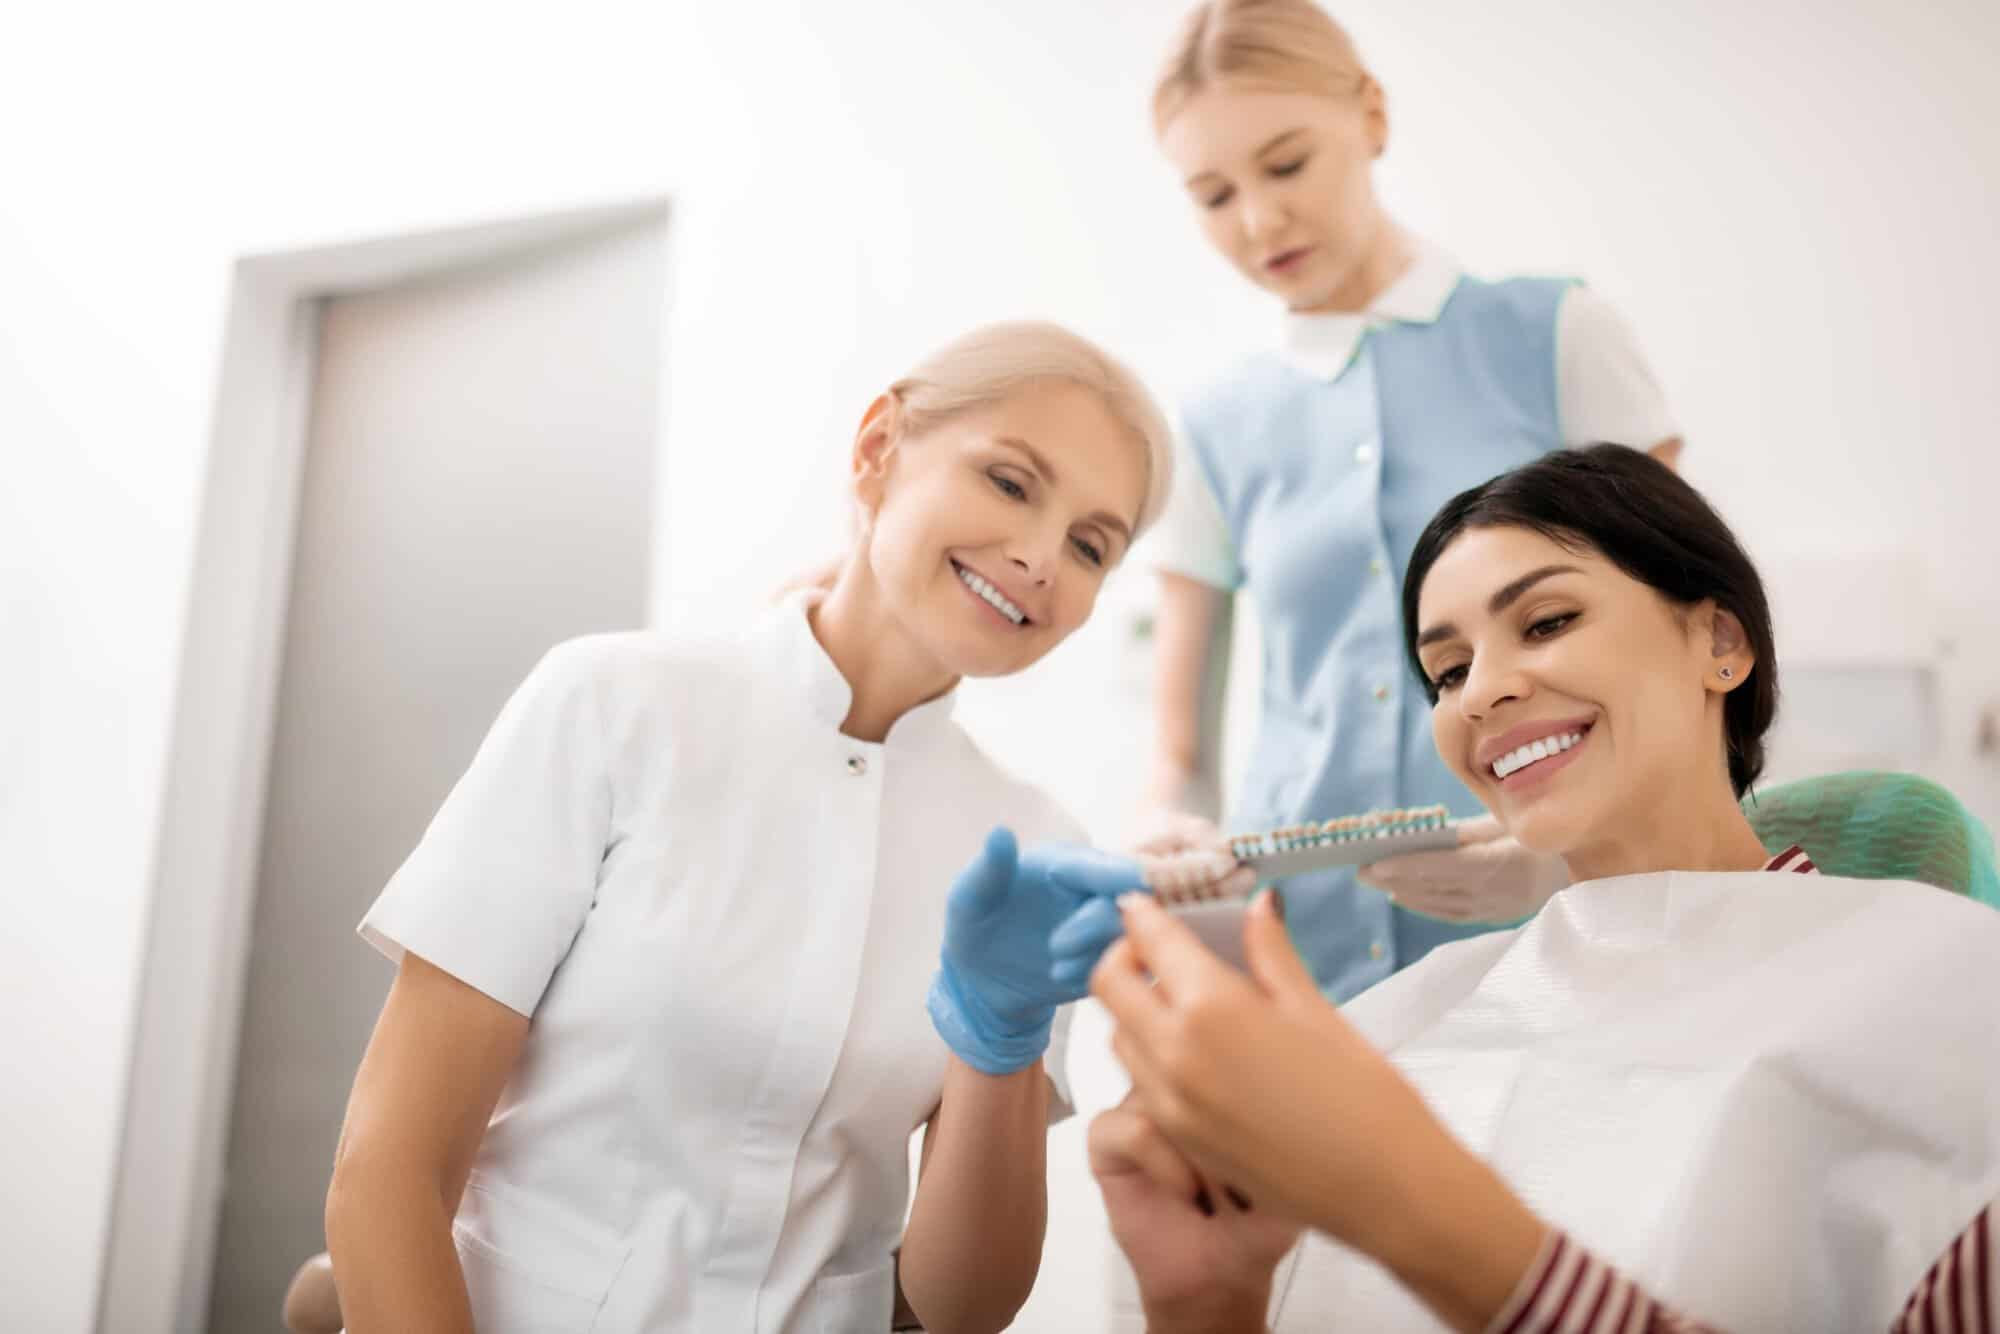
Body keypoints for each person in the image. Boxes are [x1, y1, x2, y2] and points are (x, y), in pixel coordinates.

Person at [321, 321, 1173, 1334]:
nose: (1039, 555)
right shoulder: (614, 704)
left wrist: (1000, 1040)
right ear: (877, 448)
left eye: (1089, 545)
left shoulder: (1033, 847)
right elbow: (388, 1172)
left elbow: (958, 1307)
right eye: (1009, 482)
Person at [1074, 446, 2000, 1331]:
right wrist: (1206, 1308)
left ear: (1721, 642)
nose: (1478, 695)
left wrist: (1410, 1202)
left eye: (1547, 622)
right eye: (1447, 670)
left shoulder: (1947, 987)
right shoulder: (1388, 1031)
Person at [1135, 0, 1683, 998]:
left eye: (1286, 164)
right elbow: (1181, 749)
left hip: (1556, 938)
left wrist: (1561, 856)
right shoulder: (1211, 426)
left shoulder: (1557, 336)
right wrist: (1174, 832)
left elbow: (1683, 655)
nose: (1258, 222)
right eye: (1212, 194)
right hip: (1296, 964)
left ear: (1371, 118)